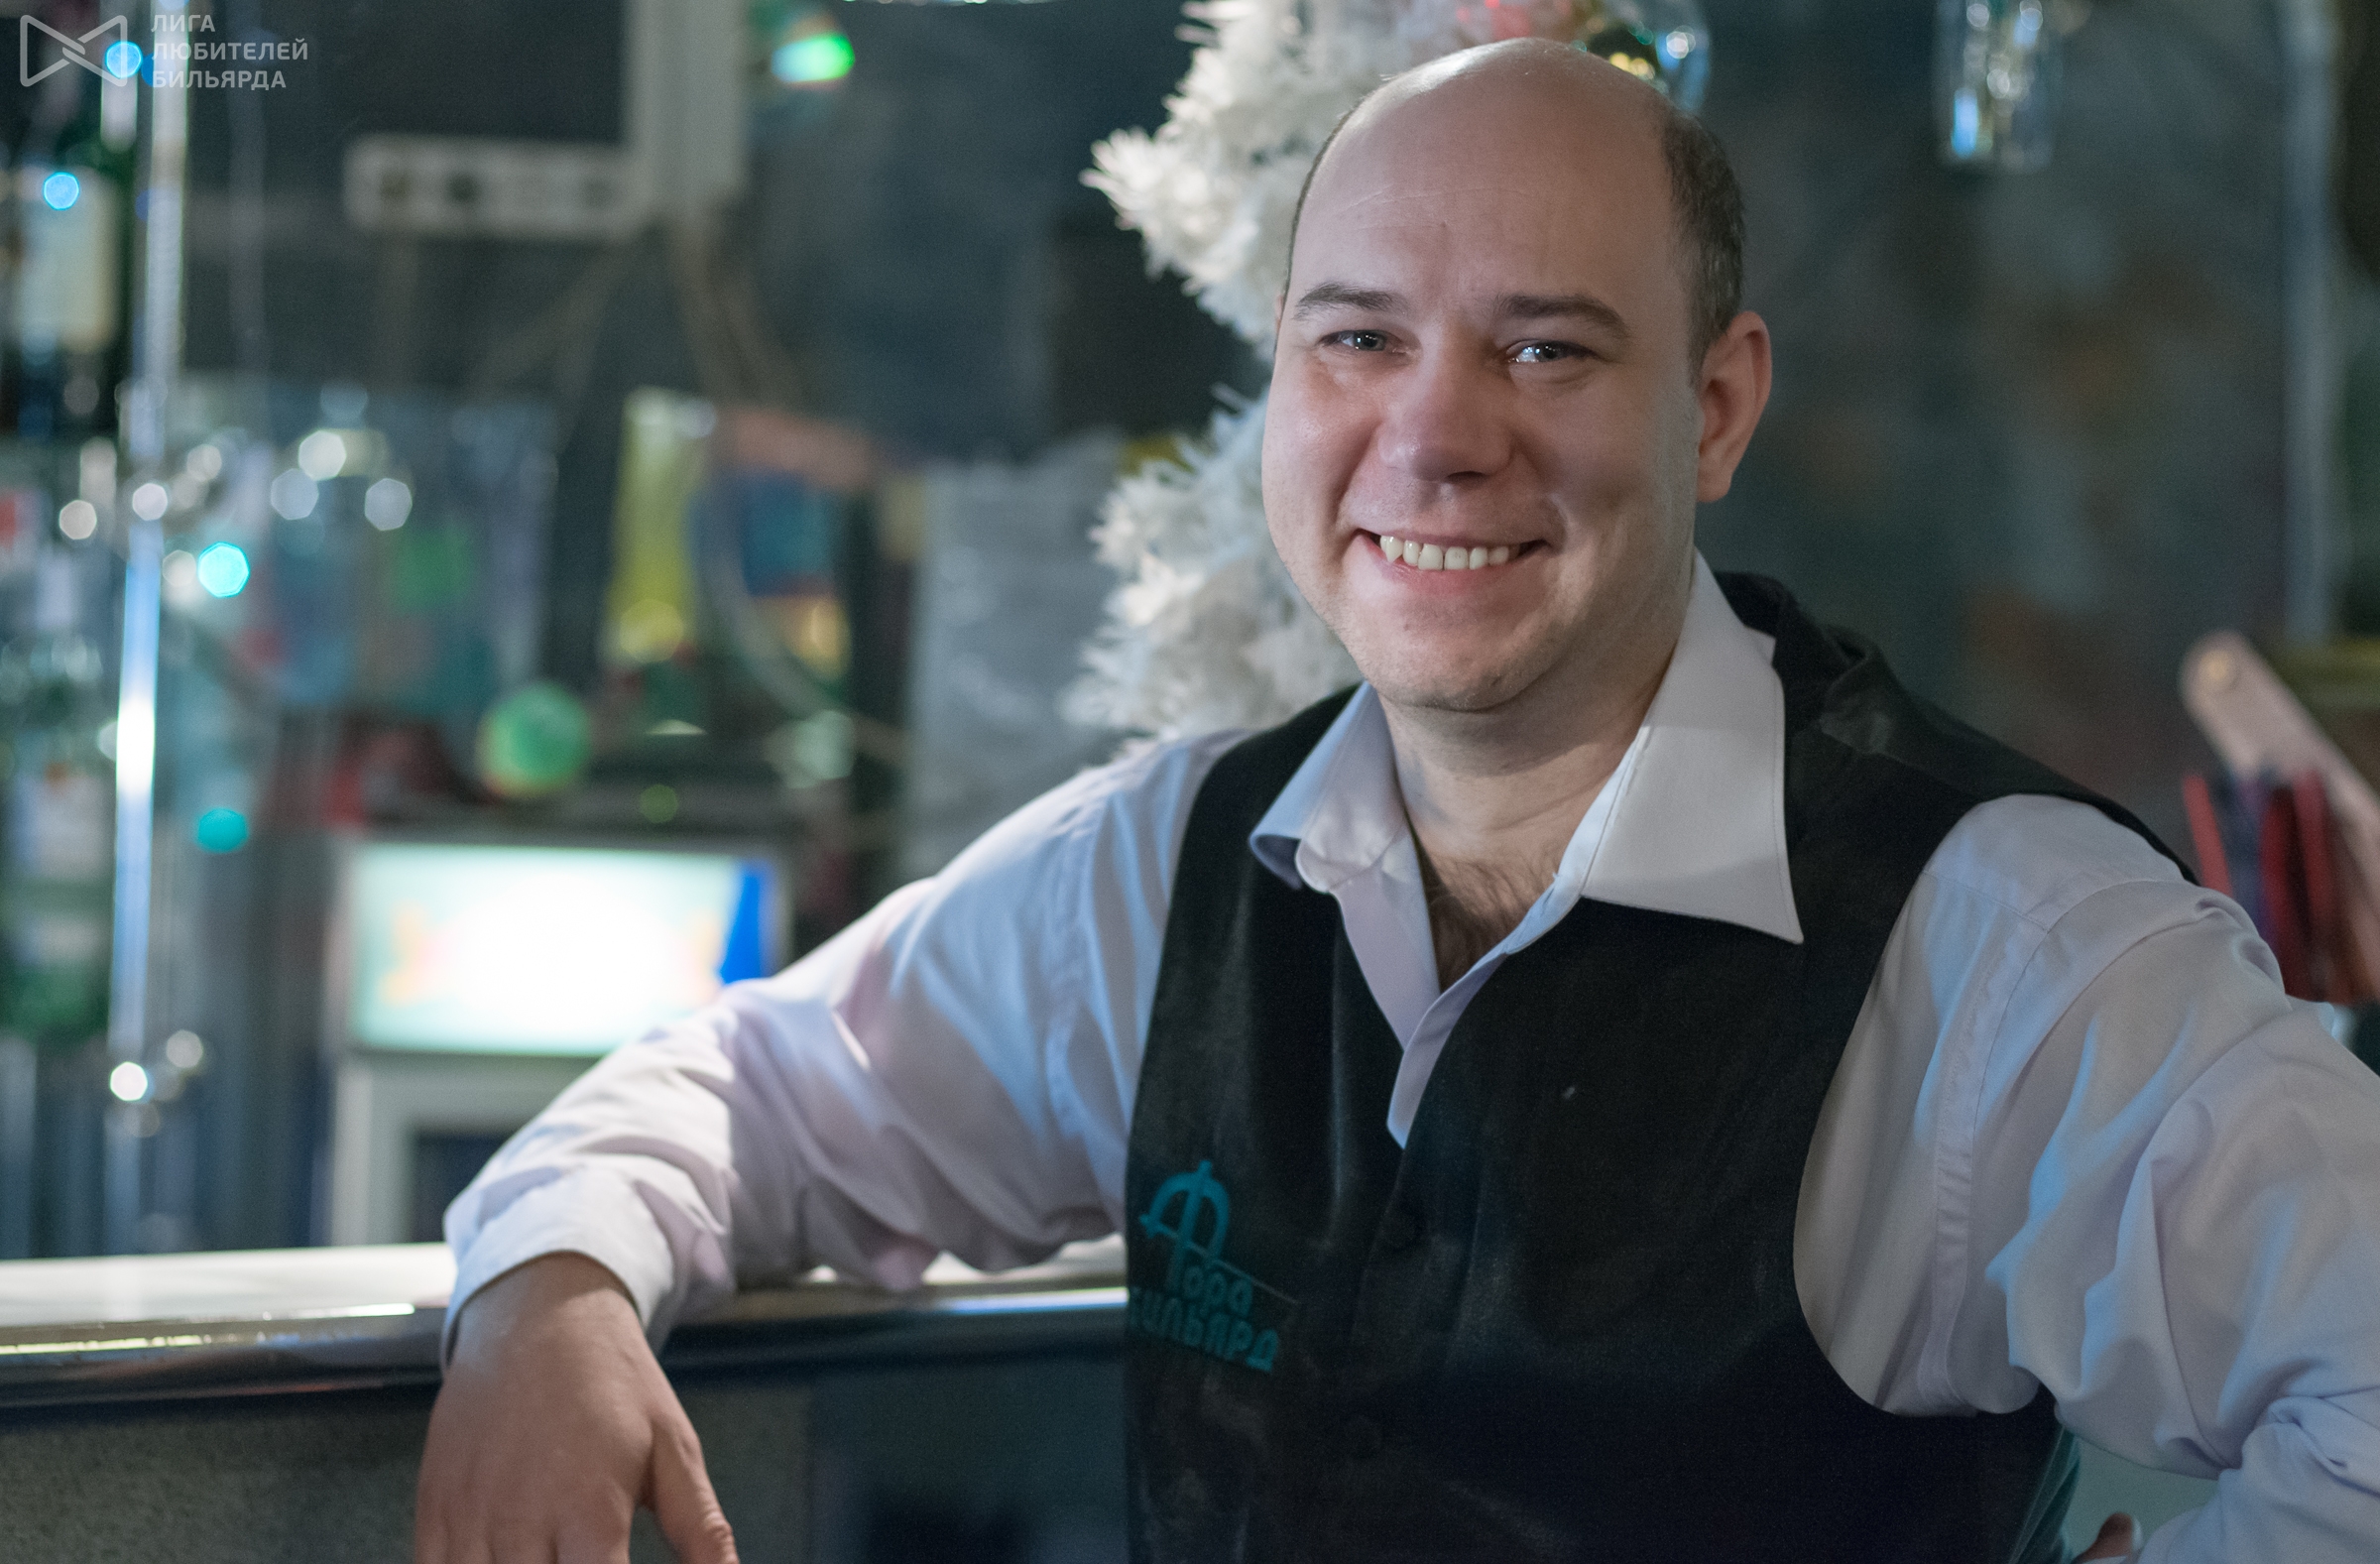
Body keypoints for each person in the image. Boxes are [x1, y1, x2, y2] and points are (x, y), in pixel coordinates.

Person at [415, 40, 2380, 1564]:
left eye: (1548, 347)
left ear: (1715, 406)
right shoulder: (1174, 866)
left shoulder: (1997, 939)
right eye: (1358, 338)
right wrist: (549, 1291)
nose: (1434, 435)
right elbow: (755, 1094)